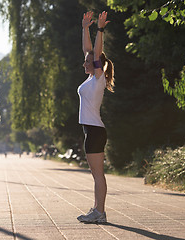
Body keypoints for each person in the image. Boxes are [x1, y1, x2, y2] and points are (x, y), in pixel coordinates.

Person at [77, 11, 115, 223]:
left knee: (97, 174)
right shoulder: (92, 78)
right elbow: (88, 51)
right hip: (91, 130)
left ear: (96, 65)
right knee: (96, 174)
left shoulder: (98, 78)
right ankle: (98, 210)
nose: (84, 64)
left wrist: (100, 29)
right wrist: (85, 28)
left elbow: (96, 52)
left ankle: (99, 212)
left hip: (94, 130)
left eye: (87, 63)